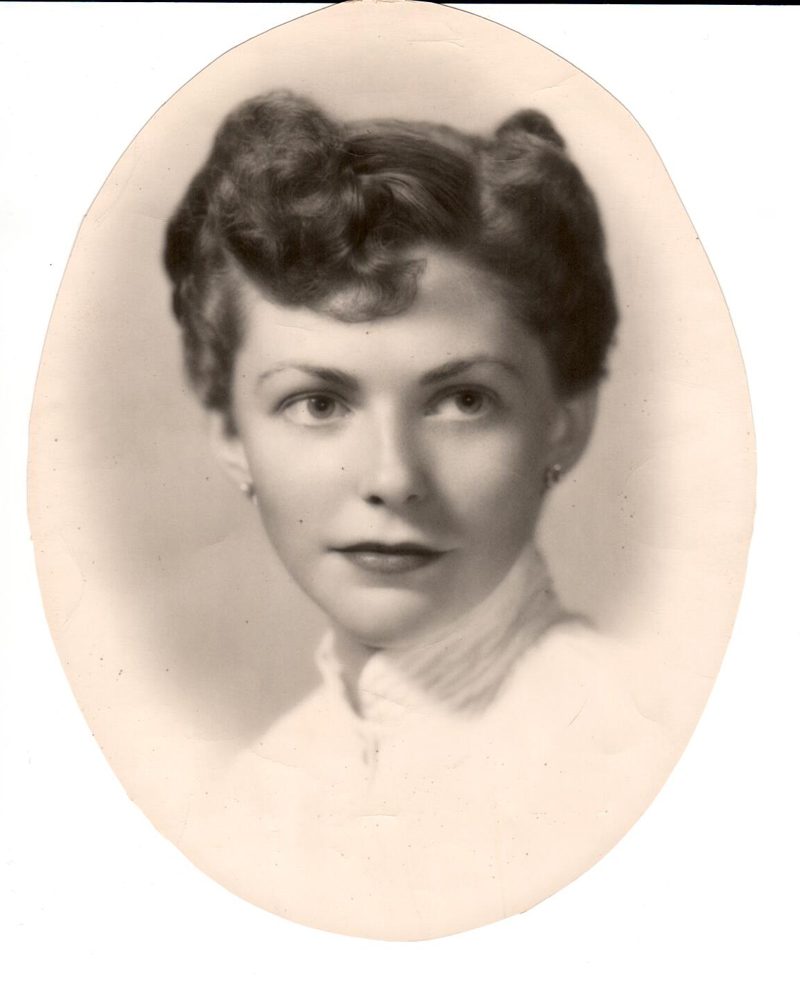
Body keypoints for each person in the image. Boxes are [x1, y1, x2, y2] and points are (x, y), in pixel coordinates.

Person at [163, 91, 671, 940]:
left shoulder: (651, 752)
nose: (393, 479)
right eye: (318, 403)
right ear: (231, 437)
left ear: (564, 423)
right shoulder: (245, 800)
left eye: (464, 400)